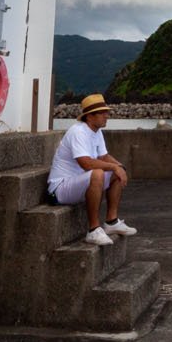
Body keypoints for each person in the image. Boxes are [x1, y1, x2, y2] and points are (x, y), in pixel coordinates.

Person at [50, 94, 134, 247]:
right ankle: (93, 230)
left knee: (116, 171)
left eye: (106, 112)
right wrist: (114, 166)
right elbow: (86, 164)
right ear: (89, 116)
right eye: (102, 113)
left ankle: (111, 221)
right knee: (98, 173)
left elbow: (104, 156)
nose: (106, 116)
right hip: (60, 188)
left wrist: (120, 167)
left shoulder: (96, 131)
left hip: (79, 183)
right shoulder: (78, 132)